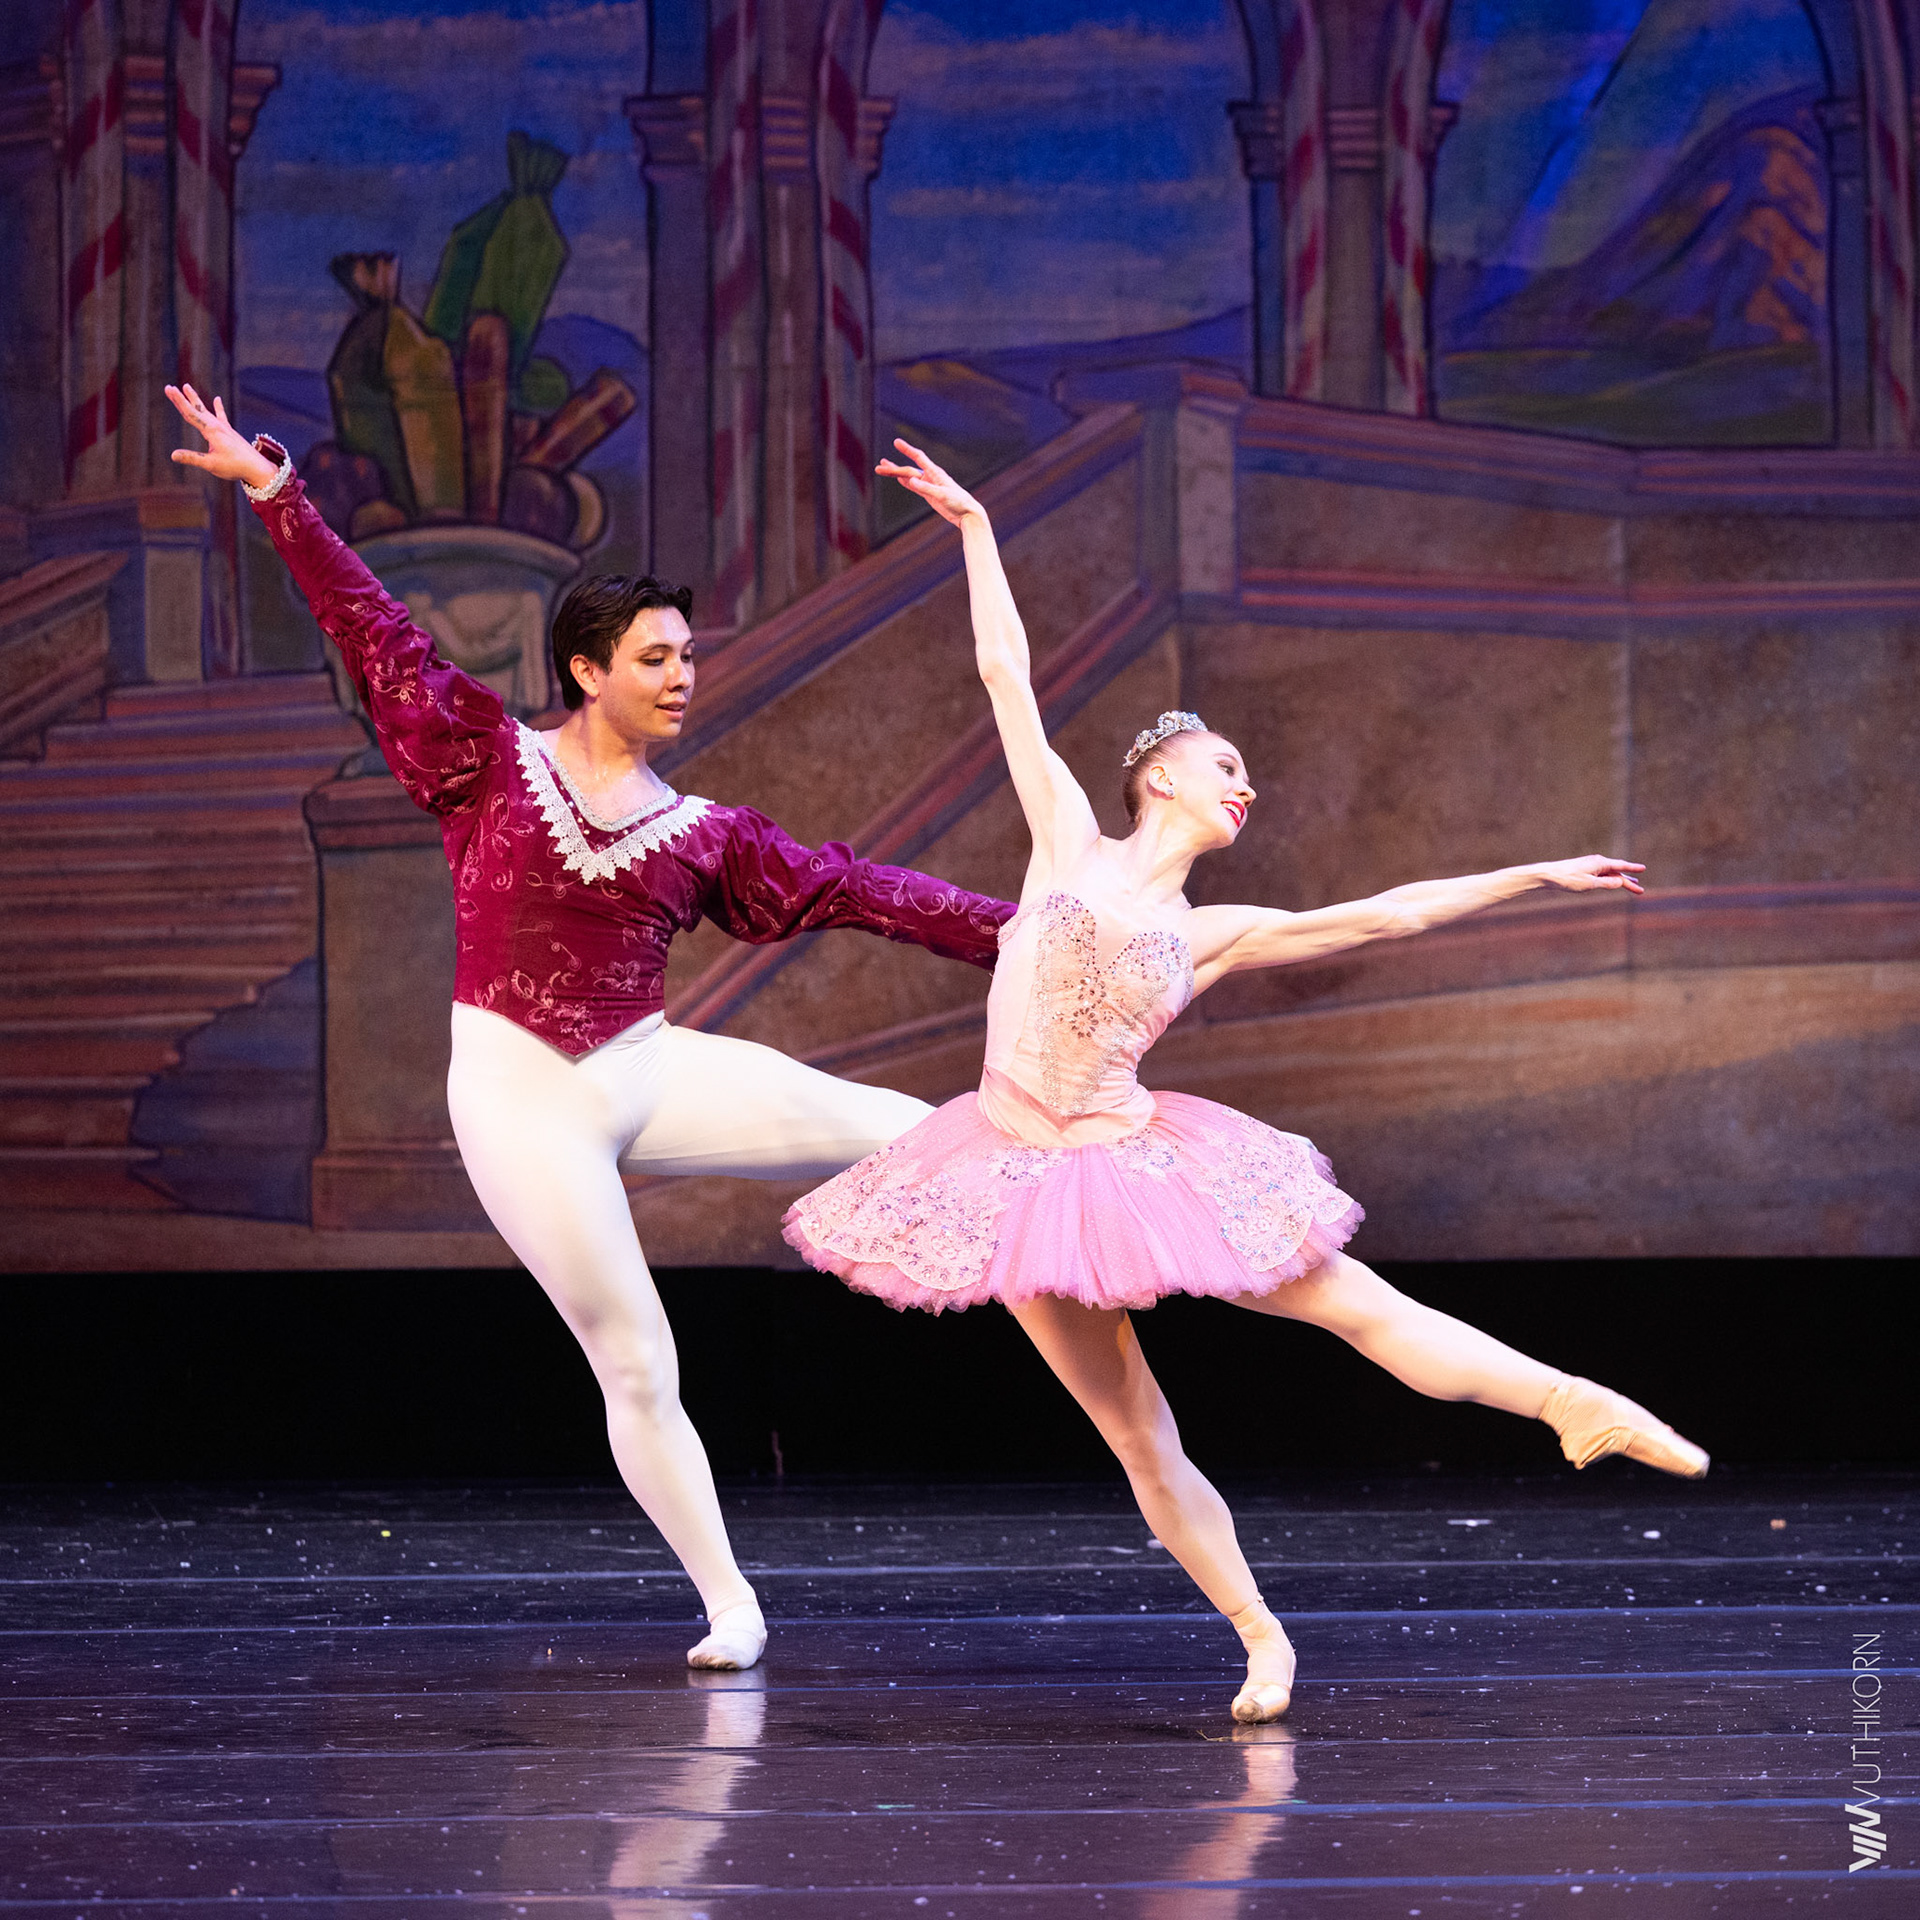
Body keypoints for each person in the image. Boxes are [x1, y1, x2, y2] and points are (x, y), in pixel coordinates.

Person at [784, 440, 1709, 1725]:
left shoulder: (1213, 933)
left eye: (1247, 778)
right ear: (1161, 775)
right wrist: (978, 528)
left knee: (1361, 1308)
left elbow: (1385, 915)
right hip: (1013, 1172)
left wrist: (1533, 874)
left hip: (1140, 1168)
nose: (1246, 787)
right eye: (1228, 769)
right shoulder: (1063, 839)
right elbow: (1005, 673)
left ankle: (1574, 1403)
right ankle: (1261, 1637)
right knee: (1137, 1434)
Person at [165, 385, 1014, 1674]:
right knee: (637, 1360)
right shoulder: (485, 761)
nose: (683, 679)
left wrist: (1027, 935)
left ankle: (1082, 1224)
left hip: (644, 1067)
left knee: (912, 1125)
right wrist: (277, 494)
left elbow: (856, 891)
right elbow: (374, 630)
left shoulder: (706, 831)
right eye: (656, 660)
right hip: (522, 1100)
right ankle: (732, 1603)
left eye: (688, 658)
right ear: (586, 670)